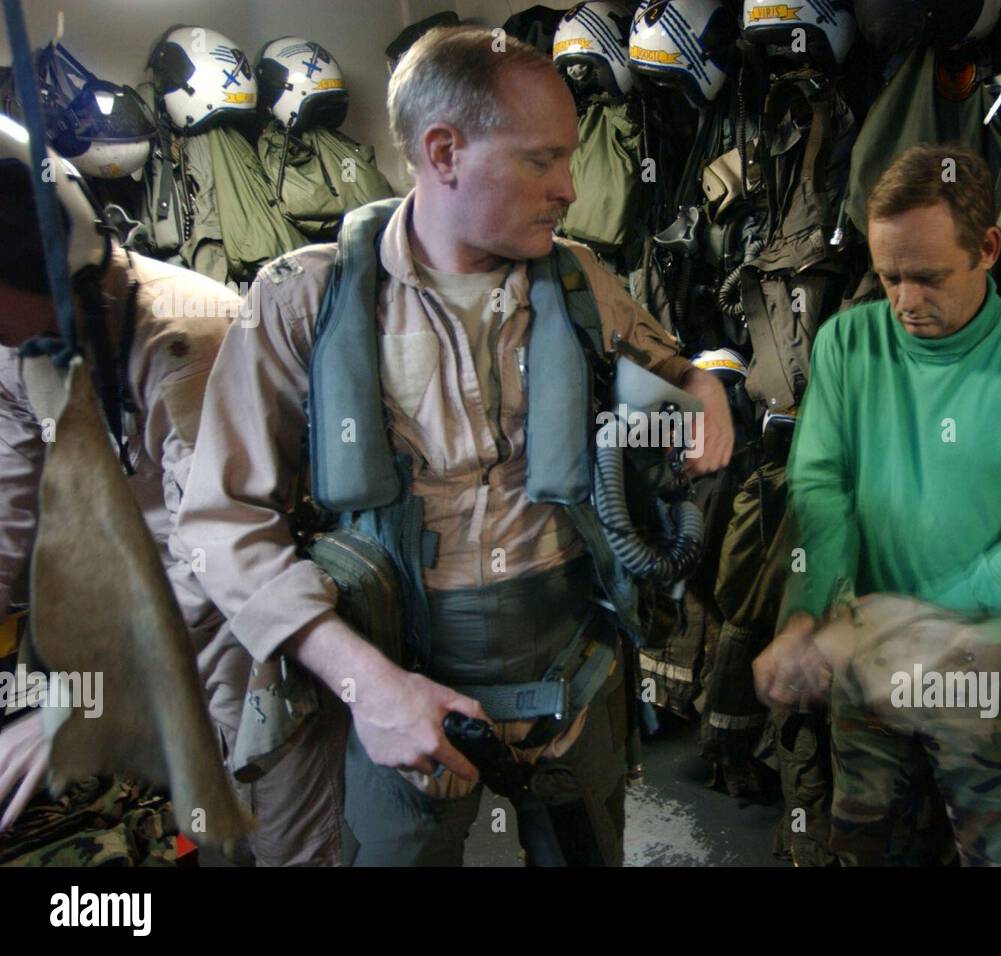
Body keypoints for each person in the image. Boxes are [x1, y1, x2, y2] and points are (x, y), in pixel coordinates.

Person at [176, 25, 733, 866]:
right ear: (443, 151)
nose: (569, 189)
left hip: (573, 678)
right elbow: (221, 523)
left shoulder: (582, 281)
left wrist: (707, 388)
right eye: (541, 161)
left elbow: (674, 365)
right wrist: (368, 687)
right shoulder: (302, 304)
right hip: (399, 691)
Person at [0, 120, 345, 865]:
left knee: (276, 813)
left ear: (53, 271)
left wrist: (83, 698)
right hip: (155, 607)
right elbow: (11, 503)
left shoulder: (188, 341)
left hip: (253, 607)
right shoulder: (20, 345)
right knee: (204, 807)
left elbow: (215, 550)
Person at [754, 144, 1001, 866]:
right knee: (865, 848)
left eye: (929, 277)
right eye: (889, 277)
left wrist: (918, 623)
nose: (906, 302)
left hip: (994, 668)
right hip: (865, 657)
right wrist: (803, 615)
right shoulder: (848, 344)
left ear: (987, 249)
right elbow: (820, 490)